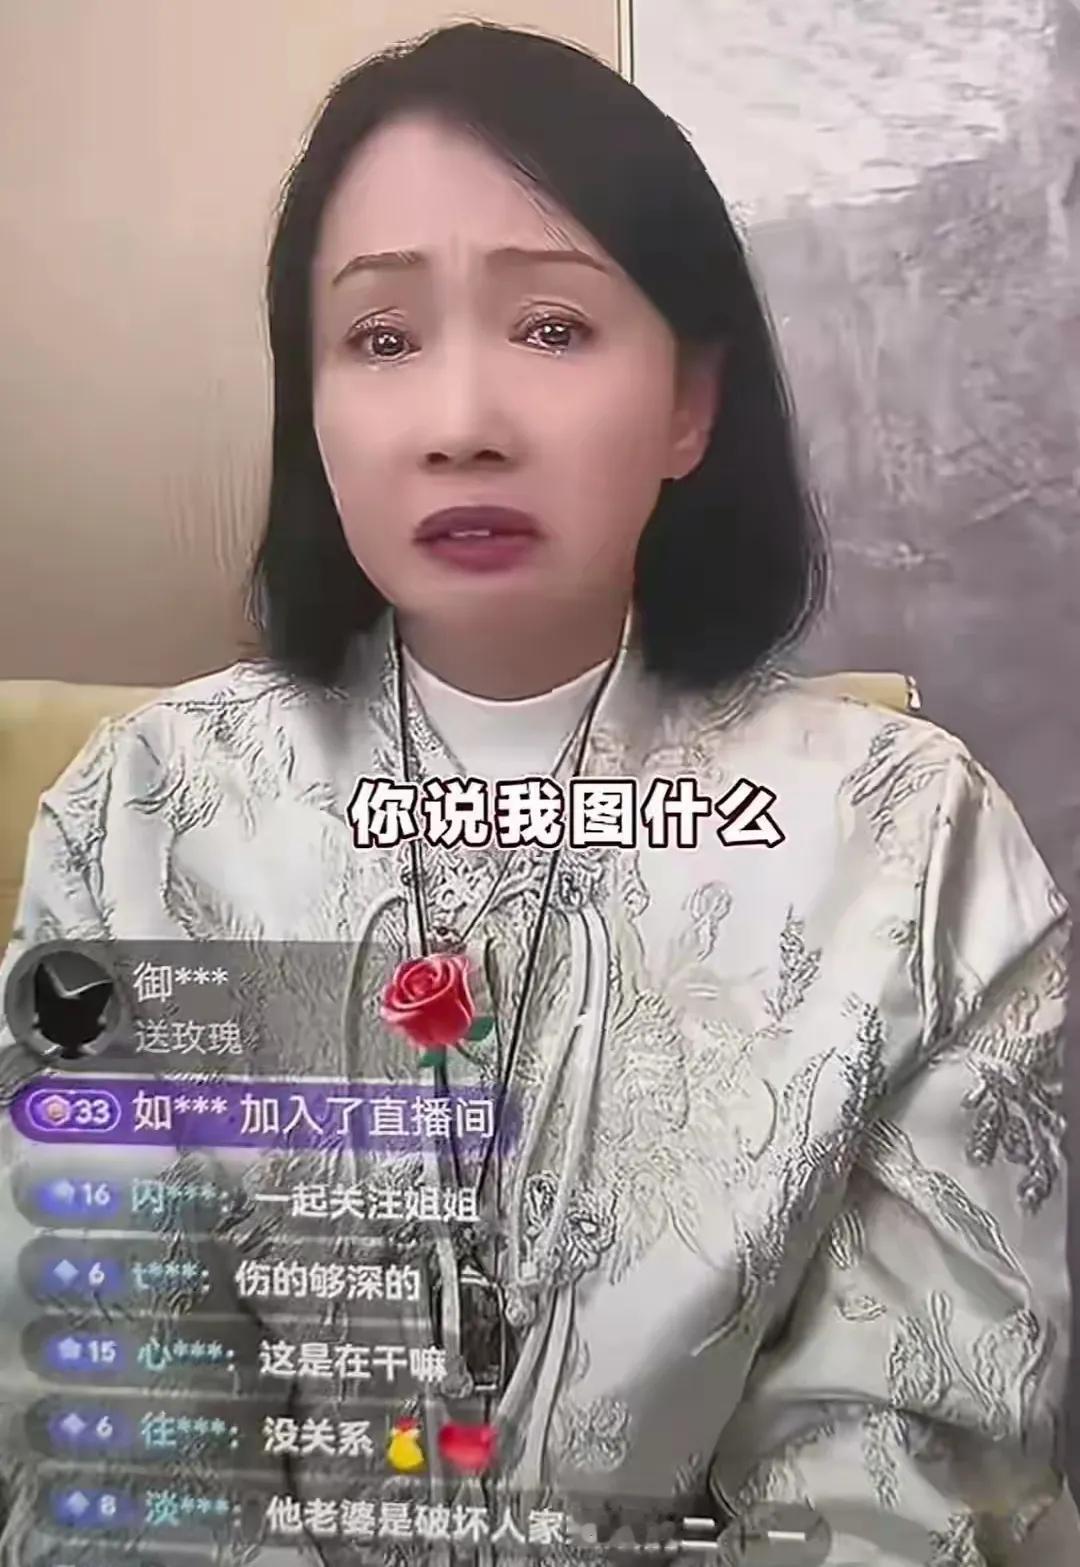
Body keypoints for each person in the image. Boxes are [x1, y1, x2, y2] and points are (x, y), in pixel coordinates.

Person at [0, 21, 1072, 1566]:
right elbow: (115, 1406)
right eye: (380, 340)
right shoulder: (144, 819)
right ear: (312, 403)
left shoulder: (914, 853)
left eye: (554, 328)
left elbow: (903, 1464)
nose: (462, 424)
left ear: (691, 402)